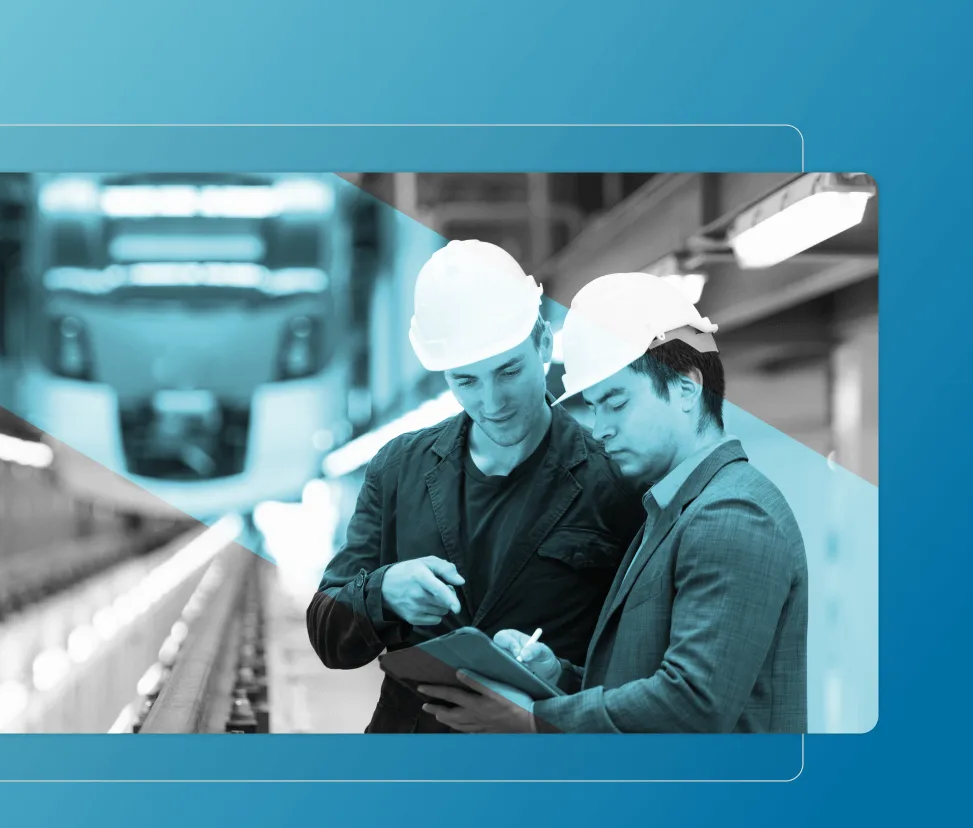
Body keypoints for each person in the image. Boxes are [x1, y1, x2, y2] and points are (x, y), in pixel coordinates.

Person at [419, 272, 809, 733]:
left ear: (686, 387)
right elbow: (641, 679)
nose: (600, 428)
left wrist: (531, 721)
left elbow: (693, 705)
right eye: (594, 406)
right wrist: (558, 676)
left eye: (616, 403)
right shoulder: (675, 511)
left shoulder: (733, 516)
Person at [306, 241, 646, 733]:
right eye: (466, 381)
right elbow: (327, 636)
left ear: (545, 344)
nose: (492, 402)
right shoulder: (399, 468)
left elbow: (643, 667)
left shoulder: (615, 478)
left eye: (508, 371)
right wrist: (383, 593)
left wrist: (561, 676)